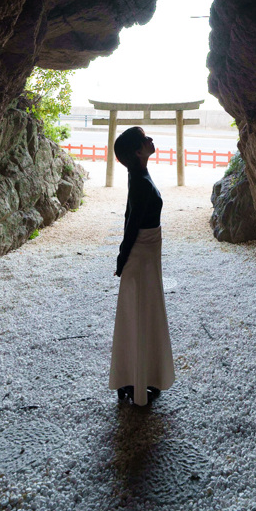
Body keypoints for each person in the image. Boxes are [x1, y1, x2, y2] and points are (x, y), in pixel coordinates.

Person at [108, 126, 175, 406]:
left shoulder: (139, 175)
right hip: (141, 255)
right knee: (140, 314)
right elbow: (131, 222)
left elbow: (131, 216)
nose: (151, 140)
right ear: (138, 151)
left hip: (148, 252)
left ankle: (141, 376)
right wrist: (123, 257)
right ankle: (135, 380)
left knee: (144, 313)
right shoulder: (138, 180)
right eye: (145, 139)